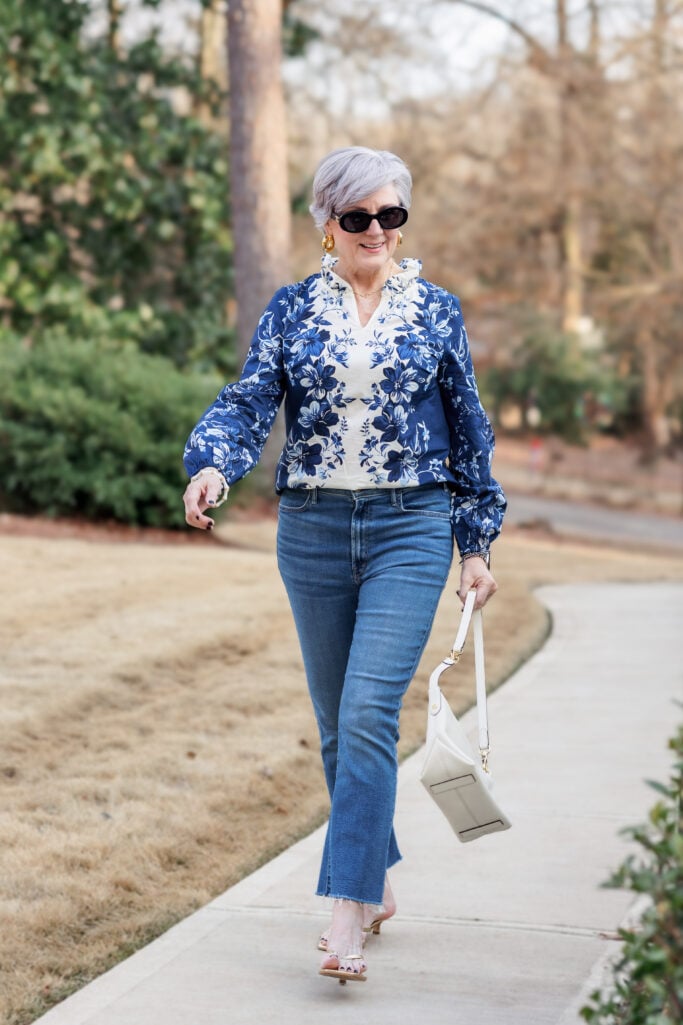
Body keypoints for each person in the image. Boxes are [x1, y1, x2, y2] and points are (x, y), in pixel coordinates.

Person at [182, 146, 506, 984]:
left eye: (390, 215)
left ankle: (344, 914)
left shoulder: (435, 311)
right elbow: (251, 398)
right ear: (328, 224)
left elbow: (469, 430)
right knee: (336, 725)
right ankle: (377, 878)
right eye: (358, 217)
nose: (376, 231)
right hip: (314, 528)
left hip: (410, 524)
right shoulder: (293, 311)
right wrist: (213, 462)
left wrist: (473, 543)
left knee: (367, 709)